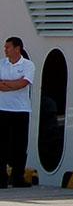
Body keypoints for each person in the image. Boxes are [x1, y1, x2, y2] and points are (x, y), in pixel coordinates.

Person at [0, 36, 35, 188]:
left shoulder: (28, 65)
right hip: (3, 109)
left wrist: (6, 83)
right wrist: (13, 84)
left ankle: (17, 177)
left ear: (17, 48)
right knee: (2, 144)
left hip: (21, 109)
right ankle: (1, 178)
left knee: (20, 145)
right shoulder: (1, 64)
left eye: (8, 47)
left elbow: (23, 83)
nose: (5, 50)